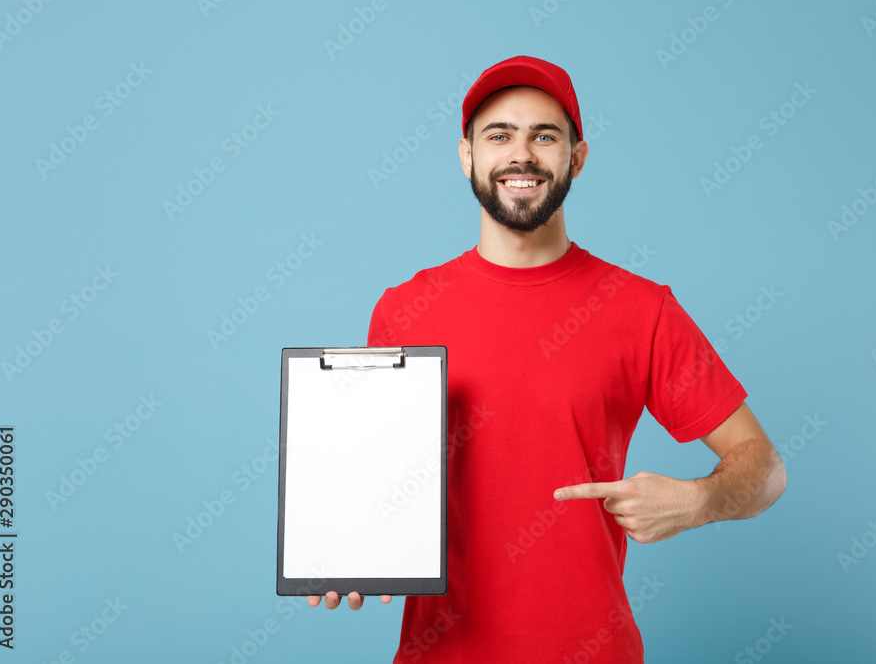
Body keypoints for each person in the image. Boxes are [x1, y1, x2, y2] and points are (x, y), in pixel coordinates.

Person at [309, 55, 786, 663]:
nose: (522, 154)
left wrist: (698, 501)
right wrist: (351, 548)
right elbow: (380, 478)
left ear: (576, 158)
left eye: (544, 135)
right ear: (467, 156)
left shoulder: (642, 310)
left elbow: (766, 469)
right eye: (499, 135)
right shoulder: (404, 309)